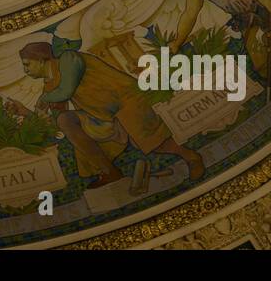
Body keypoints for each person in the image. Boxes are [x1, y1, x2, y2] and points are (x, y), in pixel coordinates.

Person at [17, 42, 204, 188]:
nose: (26, 70)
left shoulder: (69, 58)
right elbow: (54, 121)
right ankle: (110, 171)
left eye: (27, 64)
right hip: (102, 116)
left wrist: (45, 97)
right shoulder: (49, 86)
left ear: (41, 59)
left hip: (126, 100)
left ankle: (191, 156)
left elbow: (66, 89)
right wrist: (26, 113)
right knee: (65, 120)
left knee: (157, 144)